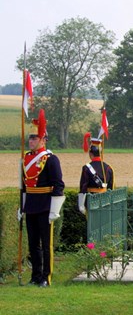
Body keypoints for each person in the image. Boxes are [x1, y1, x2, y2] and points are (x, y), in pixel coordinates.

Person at [22, 109, 65, 287]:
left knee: (46, 244)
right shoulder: (25, 158)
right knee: (33, 244)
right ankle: (35, 275)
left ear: (43, 140)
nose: (31, 141)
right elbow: (24, 186)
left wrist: (54, 210)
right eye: (30, 138)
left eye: (35, 138)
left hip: (45, 205)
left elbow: (59, 185)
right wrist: (21, 206)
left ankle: (46, 277)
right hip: (31, 204)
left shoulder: (50, 159)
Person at [78, 134, 114, 216]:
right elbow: (111, 188)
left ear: (90, 154)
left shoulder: (86, 168)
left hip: (91, 200)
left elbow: (83, 187)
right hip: (105, 201)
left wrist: (81, 205)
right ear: (101, 153)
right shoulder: (109, 168)